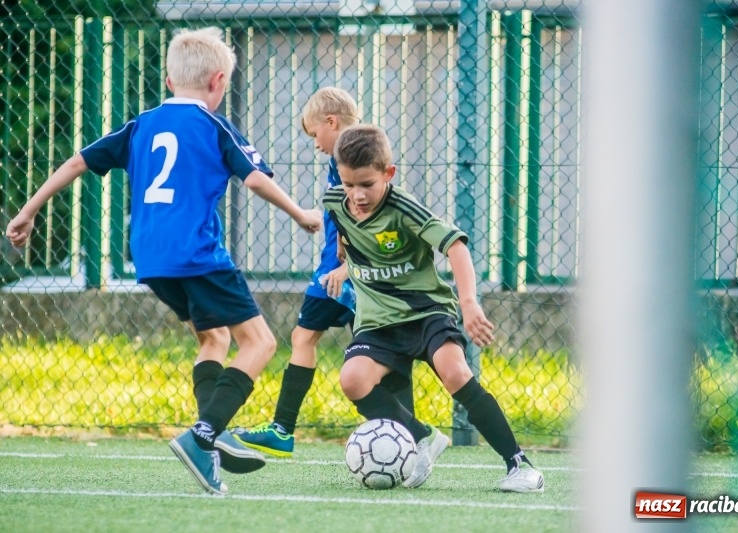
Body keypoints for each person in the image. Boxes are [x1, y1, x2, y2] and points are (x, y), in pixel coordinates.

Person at [5, 27, 322, 496]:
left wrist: (27, 210)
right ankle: (205, 435)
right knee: (259, 344)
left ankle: (206, 445)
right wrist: (302, 214)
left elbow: (76, 162)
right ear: (218, 82)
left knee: (213, 338)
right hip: (198, 253)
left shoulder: (140, 124)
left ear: (170, 81)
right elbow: (253, 180)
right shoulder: (215, 125)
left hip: (150, 258)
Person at [321, 124, 544, 492]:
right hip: (377, 322)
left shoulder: (405, 208)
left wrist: (469, 303)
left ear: (388, 174)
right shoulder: (334, 203)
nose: (356, 195)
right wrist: (345, 266)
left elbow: (456, 246)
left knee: (455, 372)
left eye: (366, 184)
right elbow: (356, 242)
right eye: (348, 184)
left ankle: (519, 465)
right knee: (353, 379)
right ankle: (422, 437)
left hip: (426, 312)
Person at [233, 87, 415, 458]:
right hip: (346, 268)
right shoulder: (358, 152)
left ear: (331, 123)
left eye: (315, 134)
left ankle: (285, 429)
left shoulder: (345, 154)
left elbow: (362, 219)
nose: (316, 144)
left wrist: (346, 265)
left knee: (311, 339)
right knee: (357, 346)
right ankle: (404, 433)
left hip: (340, 271)